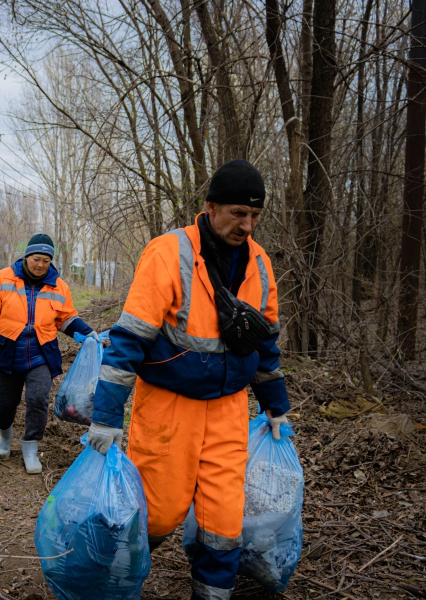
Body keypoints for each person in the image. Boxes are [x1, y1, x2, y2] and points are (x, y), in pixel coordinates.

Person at [86, 159, 290, 600]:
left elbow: (265, 341)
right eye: (238, 213)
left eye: (255, 215)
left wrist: (276, 405)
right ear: (210, 207)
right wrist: (106, 415)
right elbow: (129, 339)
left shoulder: (259, 263)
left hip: (229, 409)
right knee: (157, 513)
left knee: (224, 521)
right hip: (168, 405)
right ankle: (105, 576)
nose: (247, 225)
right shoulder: (169, 253)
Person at [0, 233, 98, 474]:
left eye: (46, 260)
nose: (40, 265)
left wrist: (89, 333)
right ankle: (5, 436)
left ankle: (31, 448)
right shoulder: (4, 278)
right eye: (36, 259)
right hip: (7, 352)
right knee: (7, 403)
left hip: (41, 354)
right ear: (26, 257)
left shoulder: (59, 286)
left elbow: (67, 318)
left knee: (38, 400)